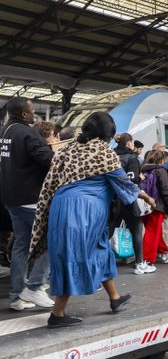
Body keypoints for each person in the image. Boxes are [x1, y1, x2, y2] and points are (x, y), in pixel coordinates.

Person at [29, 112, 156, 328]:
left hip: (62, 207)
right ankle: (57, 314)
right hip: (82, 211)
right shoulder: (103, 152)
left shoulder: (68, 149)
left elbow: (50, 182)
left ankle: (114, 298)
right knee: (75, 255)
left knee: (99, 250)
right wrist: (147, 197)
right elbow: (123, 183)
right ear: (106, 135)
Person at [0, 98, 54, 311]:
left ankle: (16, 297)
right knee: (51, 238)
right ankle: (36, 285)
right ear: (23, 114)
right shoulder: (27, 133)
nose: (35, 114)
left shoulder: (5, 132)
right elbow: (48, 160)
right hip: (30, 199)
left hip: (11, 199)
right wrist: (50, 149)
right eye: (32, 111)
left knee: (22, 245)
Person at [109, 133, 155, 275]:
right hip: (127, 200)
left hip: (112, 199)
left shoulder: (111, 156)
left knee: (108, 232)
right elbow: (131, 181)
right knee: (136, 229)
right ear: (129, 143)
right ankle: (140, 263)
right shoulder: (132, 159)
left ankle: (98, 263)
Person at [140, 150, 168, 264]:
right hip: (157, 205)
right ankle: (146, 259)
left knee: (155, 229)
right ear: (162, 160)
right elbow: (165, 190)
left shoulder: (144, 169)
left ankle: (163, 250)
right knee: (152, 231)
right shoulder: (161, 170)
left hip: (144, 204)